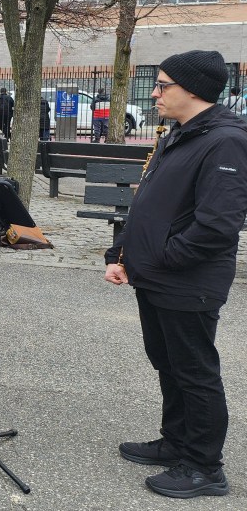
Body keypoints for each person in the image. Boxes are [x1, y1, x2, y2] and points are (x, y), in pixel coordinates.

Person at [104, 50, 247, 499]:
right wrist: (122, 251)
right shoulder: (180, 134)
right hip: (156, 275)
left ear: (194, 90)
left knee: (195, 371)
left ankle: (205, 467)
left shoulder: (225, 141)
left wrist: (163, 258)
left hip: (188, 280)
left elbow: (217, 224)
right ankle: (177, 442)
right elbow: (150, 201)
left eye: (163, 84)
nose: (155, 92)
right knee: (167, 363)